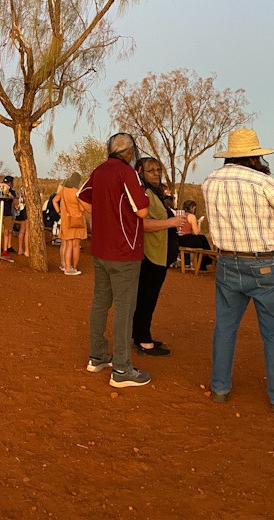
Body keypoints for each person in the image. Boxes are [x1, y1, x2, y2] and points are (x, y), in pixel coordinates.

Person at [202, 128, 274, 413]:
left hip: (227, 262)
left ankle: (220, 387)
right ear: (255, 157)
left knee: (225, 328)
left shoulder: (210, 181)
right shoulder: (263, 182)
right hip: (263, 265)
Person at [78, 133, 151, 388]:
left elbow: (82, 197)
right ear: (129, 152)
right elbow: (142, 210)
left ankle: (97, 356)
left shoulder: (99, 171)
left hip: (101, 248)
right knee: (124, 308)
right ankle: (121, 369)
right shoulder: (126, 173)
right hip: (125, 251)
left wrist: (103, 216)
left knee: (100, 302)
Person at [132, 158, 185, 356]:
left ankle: (141, 334)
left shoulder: (155, 193)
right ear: (140, 172)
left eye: (158, 170)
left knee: (147, 297)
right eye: (150, 170)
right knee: (146, 298)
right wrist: (171, 222)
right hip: (151, 255)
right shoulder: (144, 193)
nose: (156, 173)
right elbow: (143, 224)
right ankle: (143, 340)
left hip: (158, 254)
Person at [52, 172, 87, 275]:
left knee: (68, 245)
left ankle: (67, 267)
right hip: (77, 221)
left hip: (66, 220)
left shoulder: (64, 190)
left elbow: (54, 200)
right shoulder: (78, 193)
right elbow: (81, 208)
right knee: (76, 246)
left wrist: (59, 212)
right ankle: (74, 268)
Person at [179, 199, 212, 270]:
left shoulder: (180, 214)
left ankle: (205, 261)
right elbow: (196, 232)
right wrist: (199, 222)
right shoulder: (191, 216)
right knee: (202, 241)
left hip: (179, 239)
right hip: (186, 239)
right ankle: (207, 260)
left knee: (202, 238)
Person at [0, 176, 17, 256]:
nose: (7, 184)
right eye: (6, 183)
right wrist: (3, 185)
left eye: (8, 183)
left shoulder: (12, 191)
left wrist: (11, 197)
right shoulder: (0, 189)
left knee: (6, 231)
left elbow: (16, 203)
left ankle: (5, 250)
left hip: (8, 213)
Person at [14, 190, 29, 256]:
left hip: (22, 209)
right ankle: (27, 250)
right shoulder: (28, 190)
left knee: (22, 230)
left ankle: (20, 249)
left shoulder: (21, 190)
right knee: (27, 231)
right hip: (26, 210)